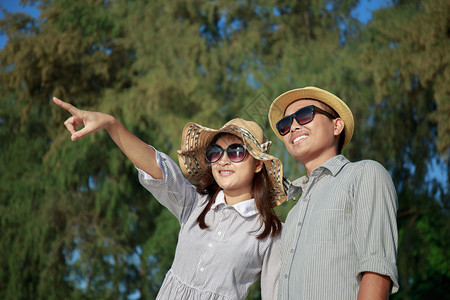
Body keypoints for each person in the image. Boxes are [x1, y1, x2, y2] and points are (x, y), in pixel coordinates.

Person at [53, 97, 287, 299]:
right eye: (215, 152)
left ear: (258, 164)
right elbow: (158, 169)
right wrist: (111, 124)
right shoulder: (195, 203)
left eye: (236, 152)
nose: (223, 160)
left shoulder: (272, 232)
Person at [267, 87, 399, 299]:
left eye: (304, 115)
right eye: (284, 124)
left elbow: (377, 268)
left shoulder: (364, 174)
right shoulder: (293, 214)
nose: (292, 126)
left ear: (336, 125)